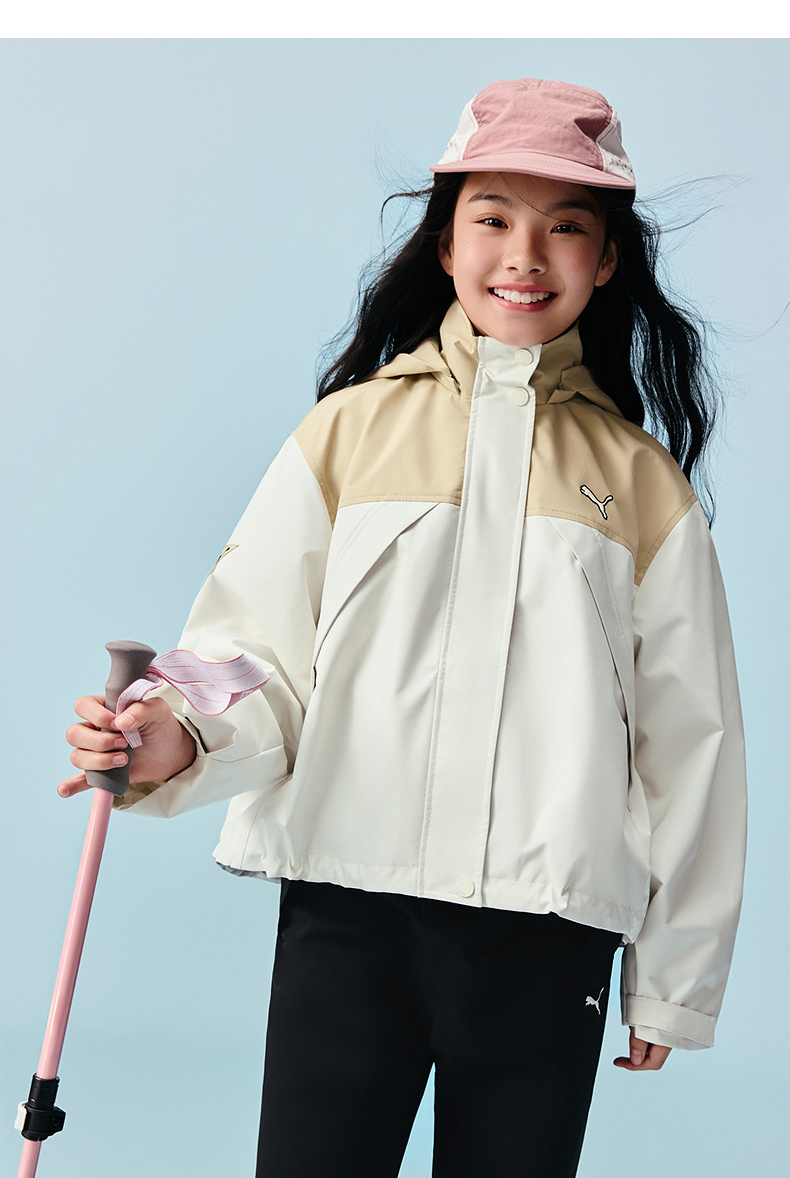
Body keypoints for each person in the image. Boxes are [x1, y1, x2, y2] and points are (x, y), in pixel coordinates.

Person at [60, 78, 747, 1177]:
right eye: (493, 217)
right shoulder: (347, 434)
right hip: (348, 917)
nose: (525, 254)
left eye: (567, 227)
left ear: (608, 259)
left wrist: (675, 978)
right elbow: (252, 659)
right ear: (445, 242)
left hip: (547, 934)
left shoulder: (641, 485)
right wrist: (170, 738)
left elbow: (692, 745)